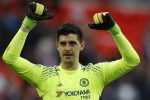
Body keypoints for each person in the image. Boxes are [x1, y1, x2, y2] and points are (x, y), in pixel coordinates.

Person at [2, 2, 140, 100]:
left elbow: (132, 60)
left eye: (73, 43)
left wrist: (114, 30)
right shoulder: (44, 76)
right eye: (63, 43)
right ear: (57, 46)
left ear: (82, 46)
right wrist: (27, 24)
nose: (68, 48)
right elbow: (10, 58)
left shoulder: (97, 74)